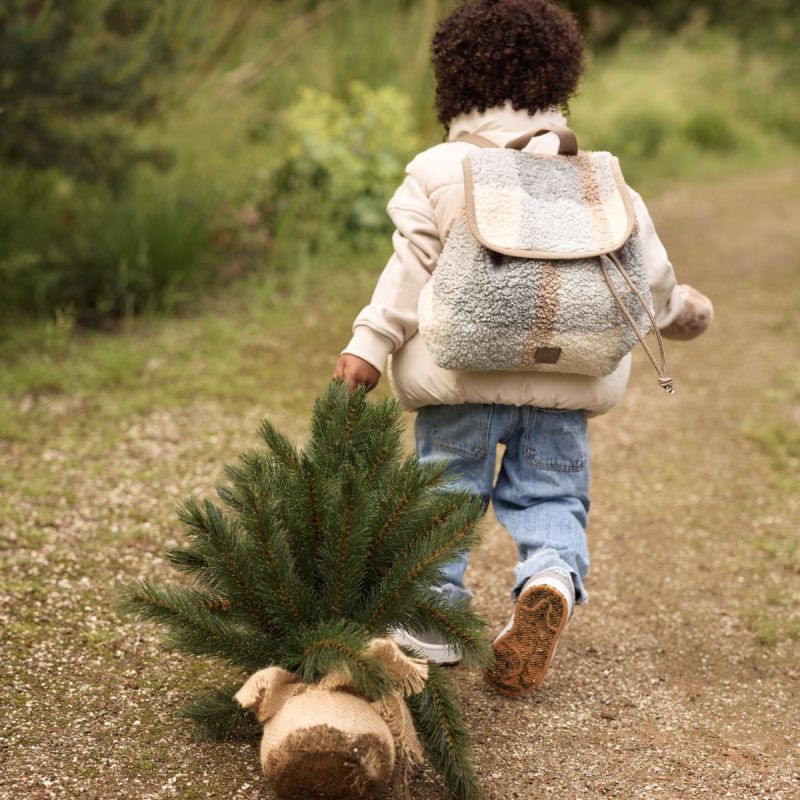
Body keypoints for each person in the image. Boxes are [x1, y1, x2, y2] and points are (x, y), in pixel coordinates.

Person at [332, 0, 712, 697]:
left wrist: (367, 345)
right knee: (553, 496)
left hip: (461, 377)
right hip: (565, 381)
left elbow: (408, 270)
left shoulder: (440, 170)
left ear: (452, 83)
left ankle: (436, 618)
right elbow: (645, 275)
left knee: (443, 494)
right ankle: (550, 577)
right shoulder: (600, 177)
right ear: (561, 83)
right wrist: (679, 311)